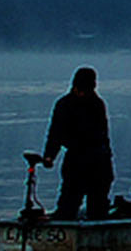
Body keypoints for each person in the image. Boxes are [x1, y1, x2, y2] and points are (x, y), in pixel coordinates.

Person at [43, 66, 114, 220]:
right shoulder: (64, 105)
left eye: (84, 90)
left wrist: (106, 156)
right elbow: (55, 133)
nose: (81, 93)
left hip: (98, 161)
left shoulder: (97, 104)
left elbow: (103, 135)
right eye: (79, 89)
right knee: (68, 203)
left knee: (98, 207)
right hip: (76, 159)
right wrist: (49, 156)